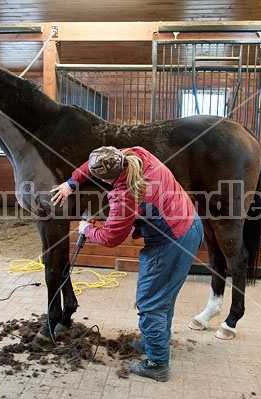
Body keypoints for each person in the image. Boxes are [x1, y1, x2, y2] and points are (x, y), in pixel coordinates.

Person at [51, 146, 203, 382]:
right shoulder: (138, 154)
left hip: (172, 242)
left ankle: (157, 364)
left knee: (150, 303)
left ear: (105, 178)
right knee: (163, 296)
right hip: (191, 223)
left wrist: (87, 229)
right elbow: (94, 166)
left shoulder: (125, 195)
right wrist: (72, 182)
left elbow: (111, 238)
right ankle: (155, 341)